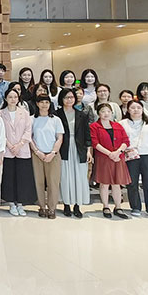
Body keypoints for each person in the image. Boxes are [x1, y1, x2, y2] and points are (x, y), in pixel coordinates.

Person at [120, 99, 148, 220]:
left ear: (142, 109)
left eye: (138, 108)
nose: (136, 110)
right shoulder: (122, 123)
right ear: (128, 110)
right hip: (130, 156)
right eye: (132, 108)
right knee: (132, 183)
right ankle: (135, 207)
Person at [55, 89, 92, 218]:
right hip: (63, 147)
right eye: (66, 97)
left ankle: (77, 206)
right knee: (65, 177)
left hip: (79, 148)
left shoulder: (82, 114)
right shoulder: (56, 114)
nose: (69, 100)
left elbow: (87, 134)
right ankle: (66, 204)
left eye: (71, 97)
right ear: (61, 99)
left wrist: (88, 151)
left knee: (79, 177)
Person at [90, 104, 131, 219]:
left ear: (112, 113)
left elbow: (126, 141)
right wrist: (110, 154)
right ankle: (106, 206)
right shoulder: (94, 126)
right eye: (103, 111)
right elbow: (95, 143)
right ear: (98, 113)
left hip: (118, 157)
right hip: (103, 158)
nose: (106, 114)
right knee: (104, 184)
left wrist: (118, 152)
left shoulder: (118, 125)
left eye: (108, 111)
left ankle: (118, 207)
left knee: (117, 183)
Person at [0, 88, 36, 216]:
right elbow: (0, 132)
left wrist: (19, 145)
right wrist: (9, 145)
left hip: (22, 149)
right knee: (9, 177)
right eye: (10, 97)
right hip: (7, 150)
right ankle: (11, 203)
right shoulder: (0, 113)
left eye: (15, 97)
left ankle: (20, 204)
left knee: (22, 177)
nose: (13, 99)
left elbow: (28, 131)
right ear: (5, 99)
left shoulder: (24, 113)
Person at [30, 95, 64, 219]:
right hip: (37, 154)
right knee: (38, 182)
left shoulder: (56, 120)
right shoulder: (32, 119)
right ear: (37, 104)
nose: (44, 105)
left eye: (47, 102)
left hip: (53, 155)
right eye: (41, 102)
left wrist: (53, 152)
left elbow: (59, 138)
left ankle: (52, 208)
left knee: (53, 182)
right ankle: (42, 207)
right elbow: (29, 138)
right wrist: (37, 151)